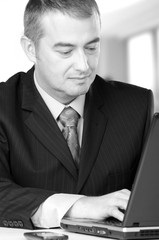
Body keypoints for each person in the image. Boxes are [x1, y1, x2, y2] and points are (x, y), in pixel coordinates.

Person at [0, 0, 153, 230]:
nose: (84, 65)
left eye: (91, 47)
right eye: (66, 51)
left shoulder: (136, 105)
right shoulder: (3, 105)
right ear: (30, 49)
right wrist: (78, 206)